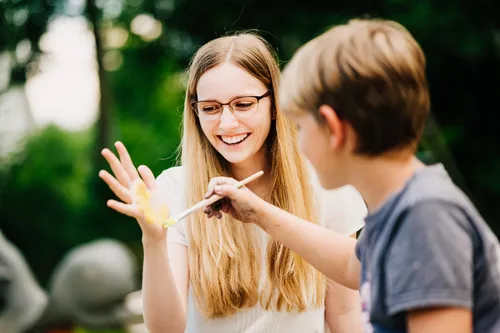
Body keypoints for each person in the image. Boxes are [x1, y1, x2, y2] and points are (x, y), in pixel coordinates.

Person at [204, 19, 500, 333]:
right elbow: (351, 266)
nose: (297, 142)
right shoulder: (399, 208)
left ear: (333, 129)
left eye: (301, 127)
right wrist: (259, 213)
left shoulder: (424, 218)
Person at [99, 32, 367, 333]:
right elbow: (165, 329)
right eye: (211, 108)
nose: (227, 123)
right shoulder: (175, 188)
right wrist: (154, 240)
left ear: (275, 102)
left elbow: (345, 316)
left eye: (243, 104)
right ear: (195, 110)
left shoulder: (326, 183)